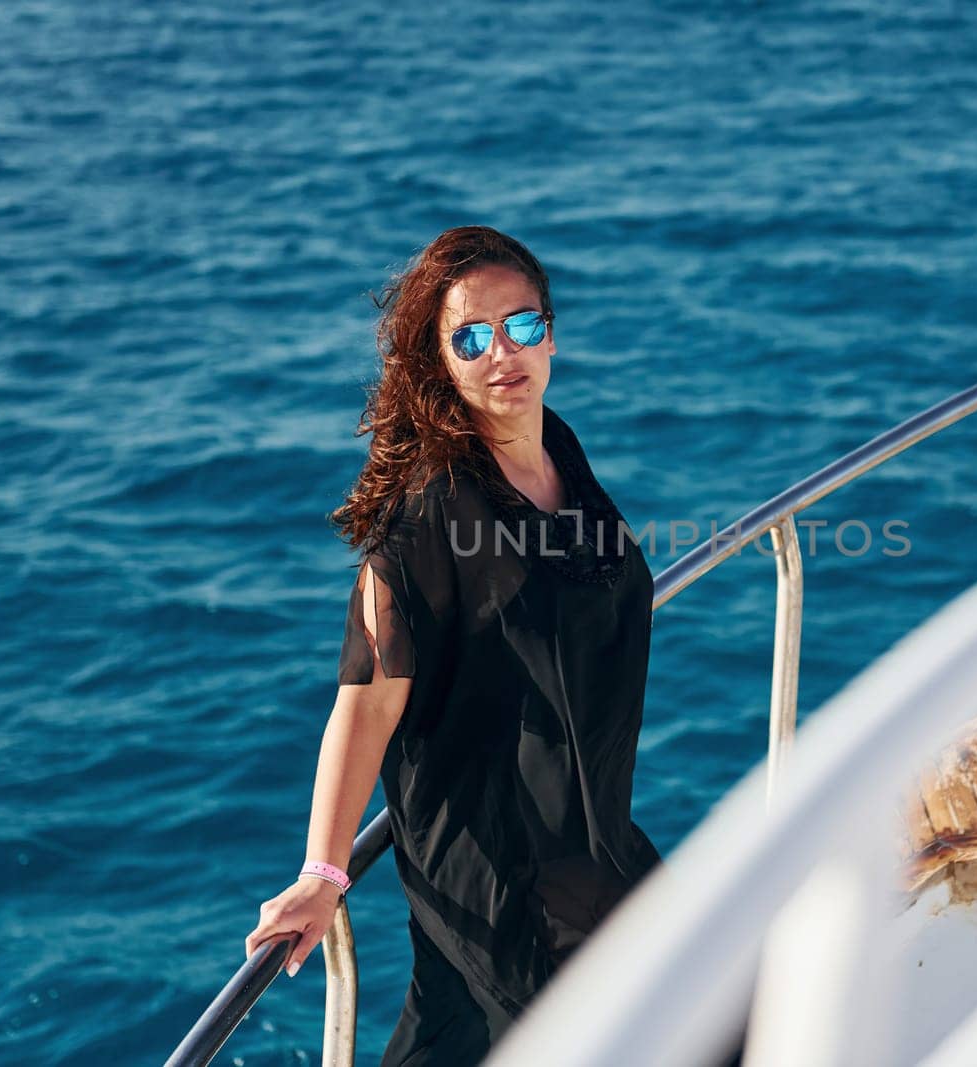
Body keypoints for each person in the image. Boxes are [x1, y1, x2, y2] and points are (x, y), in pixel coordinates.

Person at [243, 225, 663, 1065]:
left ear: (553, 330)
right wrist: (323, 876)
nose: (505, 353)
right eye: (473, 337)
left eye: (523, 325)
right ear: (440, 362)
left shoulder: (556, 450)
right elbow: (363, 706)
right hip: (501, 868)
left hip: (590, 833)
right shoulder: (428, 514)